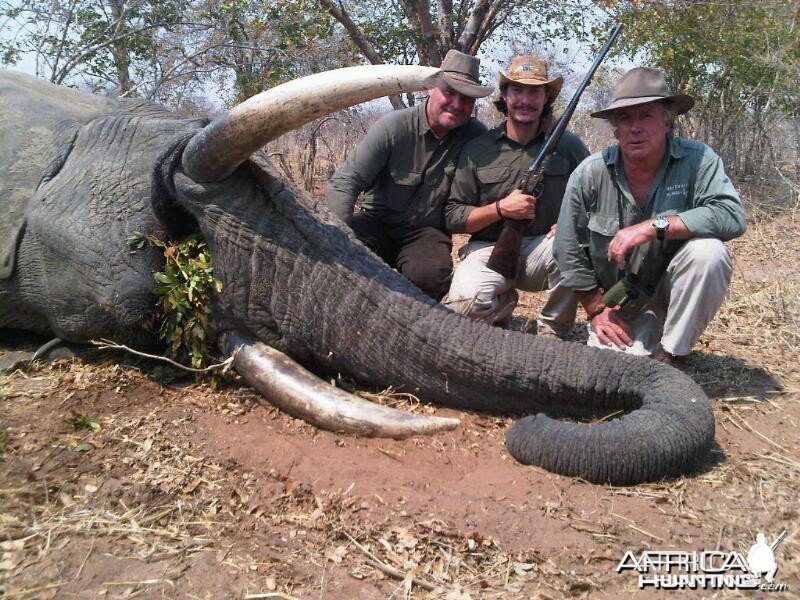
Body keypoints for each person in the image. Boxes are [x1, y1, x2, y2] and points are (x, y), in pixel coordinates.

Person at [553, 67, 747, 363]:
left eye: (646, 116)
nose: (635, 128)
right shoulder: (590, 173)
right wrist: (596, 309)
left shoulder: (699, 159)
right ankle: (640, 336)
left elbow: (732, 216)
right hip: (620, 301)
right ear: (615, 129)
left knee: (709, 253)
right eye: (626, 118)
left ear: (667, 122)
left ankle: (672, 352)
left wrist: (653, 226)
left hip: (674, 292)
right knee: (613, 369)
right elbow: (567, 246)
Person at [325, 50, 491, 300]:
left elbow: (500, 185)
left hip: (426, 232)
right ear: (430, 89)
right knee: (345, 260)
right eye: (449, 92)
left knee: (431, 276)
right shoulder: (394, 126)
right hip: (376, 222)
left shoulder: (477, 136)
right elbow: (345, 182)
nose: (457, 105)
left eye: (466, 98)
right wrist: (337, 237)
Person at [444, 56, 589, 336]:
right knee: (463, 308)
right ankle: (500, 304)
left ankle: (553, 331)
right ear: (504, 95)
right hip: (487, 249)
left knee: (574, 243)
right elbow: (453, 215)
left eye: (534, 92)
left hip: (546, 248)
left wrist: (574, 223)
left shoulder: (569, 146)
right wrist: (500, 209)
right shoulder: (478, 148)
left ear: (546, 97)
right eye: (517, 90)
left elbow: (595, 197)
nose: (525, 100)